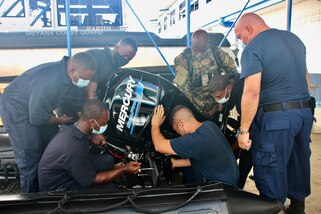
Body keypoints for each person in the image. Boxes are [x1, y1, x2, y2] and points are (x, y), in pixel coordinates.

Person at [234, 13, 313, 213]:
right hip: (304, 113)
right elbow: (306, 79)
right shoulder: (294, 39)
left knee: (270, 167)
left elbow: (251, 92)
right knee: (298, 161)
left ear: (249, 30)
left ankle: (273, 207)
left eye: (239, 36)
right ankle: (297, 208)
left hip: (277, 118)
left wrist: (243, 131)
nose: (240, 41)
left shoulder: (253, 48)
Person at [0, 52, 96, 193]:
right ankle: (31, 202)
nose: (86, 83)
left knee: (51, 146)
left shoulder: (74, 80)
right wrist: (59, 120)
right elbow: (37, 117)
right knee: (30, 159)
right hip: (16, 108)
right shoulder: (48, 79)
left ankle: (49, 191)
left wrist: (92, 127)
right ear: (72, 71)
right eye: (84, 79)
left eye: (89, 79)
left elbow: (77, 105)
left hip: (37, 108)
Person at [38, 99, 141, 192]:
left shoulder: (74, 129)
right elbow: (91, 181)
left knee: (108, 160)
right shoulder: (73, 147)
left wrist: (114, 168)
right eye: (103, 123)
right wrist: (124, 169)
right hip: (58, 188)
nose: (105, 126)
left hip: (67, 169)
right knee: (111, 188)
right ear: (92, 122)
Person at [151, 104, 239, 186]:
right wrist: (177, 163)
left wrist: (155, 125)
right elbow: (205, 156)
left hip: (220, 189)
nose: (179, 134)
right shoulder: (209, 125)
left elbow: (159, 146)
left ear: (180, 124)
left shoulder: (195, 140)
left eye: (177, 130)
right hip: (230, 178)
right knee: (186, 171)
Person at [173, 29, 237, 118]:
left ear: (208, 43)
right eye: (195, 50)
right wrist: (195, 111)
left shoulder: (217, 53)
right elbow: (183, 89)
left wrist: (225, 95)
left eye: (202, 50)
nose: (198, 54)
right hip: (197, 109)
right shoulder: (183, 60)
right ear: (191, 44)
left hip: (218, 105)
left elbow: (233, 72)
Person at [208, 73, 252, 189]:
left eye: (218, 96)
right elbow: (224, 107)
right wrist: (220, 111)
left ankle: (239, 188)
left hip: (255, 125)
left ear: (229, 88)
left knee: (246, 158)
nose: (217, 100)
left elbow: (247, 127)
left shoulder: (242, 94)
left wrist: (231, 149)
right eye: (214, 97)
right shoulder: (230, 83)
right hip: (244, 124)